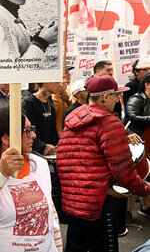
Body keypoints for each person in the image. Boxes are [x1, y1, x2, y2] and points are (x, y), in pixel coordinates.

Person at [57, 75, 150, 251]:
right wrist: (144, 188)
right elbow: (123, 170)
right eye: (116, 95)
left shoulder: (72, 119)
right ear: (105, 97)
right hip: (97, 204)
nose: (118, 99)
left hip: (74, 203)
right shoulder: (109, 122)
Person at [0, 107, 63, 251]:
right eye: (27, 130)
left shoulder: (39, 164)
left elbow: (51, 216)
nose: (33, 135)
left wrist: (58, 247)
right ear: (6, 138)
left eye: (32, 128)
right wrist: (1, 173)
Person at [125, 72, 150, 219]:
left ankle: (146, 207)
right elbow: (132, 116)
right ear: (146, 84)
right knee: (138, 177)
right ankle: (127, 213)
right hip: (138, 142)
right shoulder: (137, 98)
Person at [22, 82, 60, 155]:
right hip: (34, 153)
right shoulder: (28, 103)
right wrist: (42, 146)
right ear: (46, 83)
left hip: (51, 153)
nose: (59, 85)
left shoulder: (50, 101)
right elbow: (26, 131)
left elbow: (53, 130)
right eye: (57, 82)